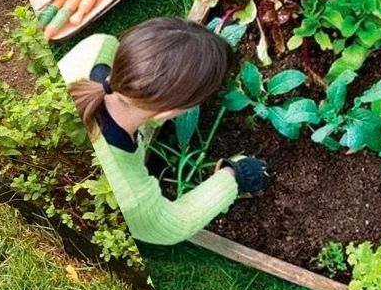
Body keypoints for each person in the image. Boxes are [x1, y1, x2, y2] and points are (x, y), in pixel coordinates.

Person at [59, 17, 270, 245]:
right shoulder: (130, 195)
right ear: (165, 113)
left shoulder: (99, 47)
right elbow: (174, 224)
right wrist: (234, 174)